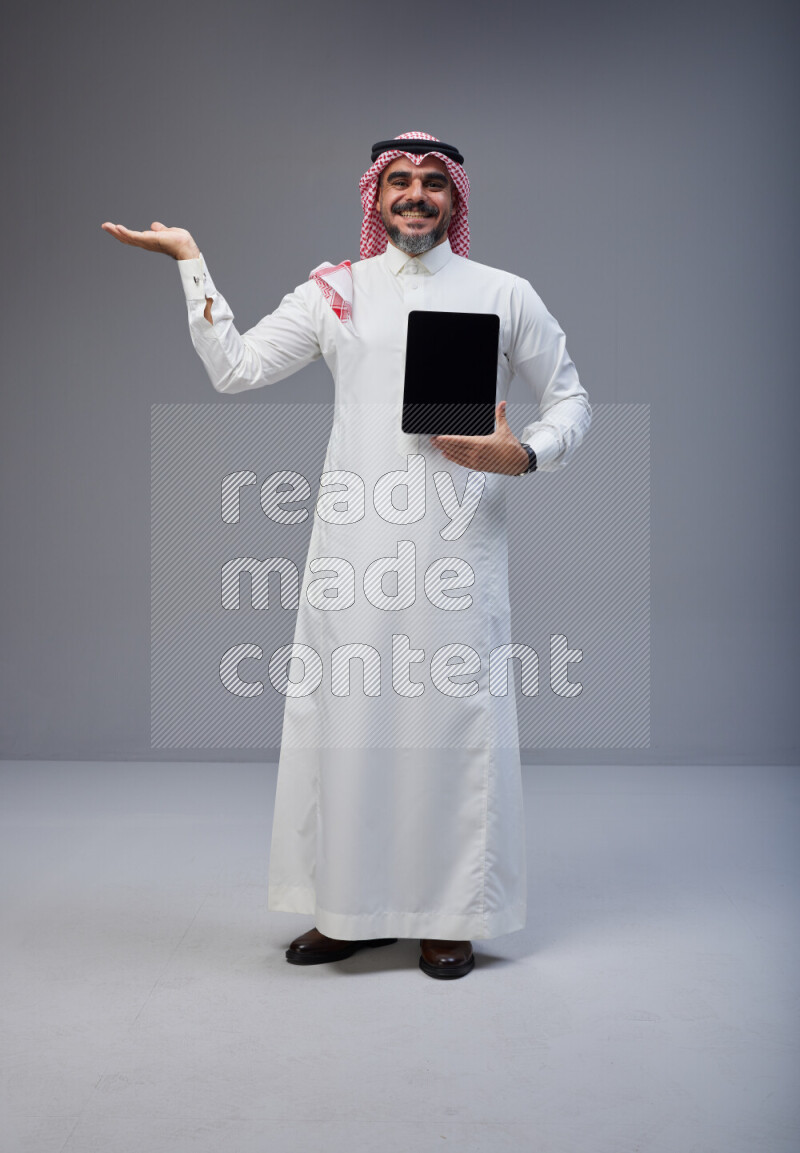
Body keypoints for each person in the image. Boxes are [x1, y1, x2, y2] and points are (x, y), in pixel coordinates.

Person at [102, 130, 591, 980]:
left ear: (455, 200)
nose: (414, 196)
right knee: (351, 730)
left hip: (455, 549)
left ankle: (449, 915)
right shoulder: (337, 291)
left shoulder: (503, 293)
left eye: (432, 184)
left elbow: (573, 400)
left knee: (447, 728)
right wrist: (190, 261)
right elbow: (237, 367)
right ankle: (349, 909)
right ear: (375, 196)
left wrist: (525, 454)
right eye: (398, 181)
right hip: (352, 550)